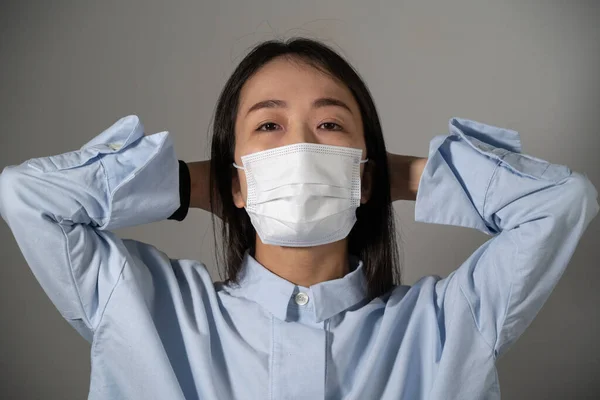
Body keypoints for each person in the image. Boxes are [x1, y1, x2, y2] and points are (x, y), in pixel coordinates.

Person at [0, 38, 597, 400]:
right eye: (269, 126)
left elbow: (563, 201)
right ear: (233, 176)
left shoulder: (448, 324)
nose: (302, 147)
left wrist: (398, 177)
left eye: (330, 126)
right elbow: (27, 194)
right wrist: (190, 185)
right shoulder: (143, 306)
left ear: (365, 173)